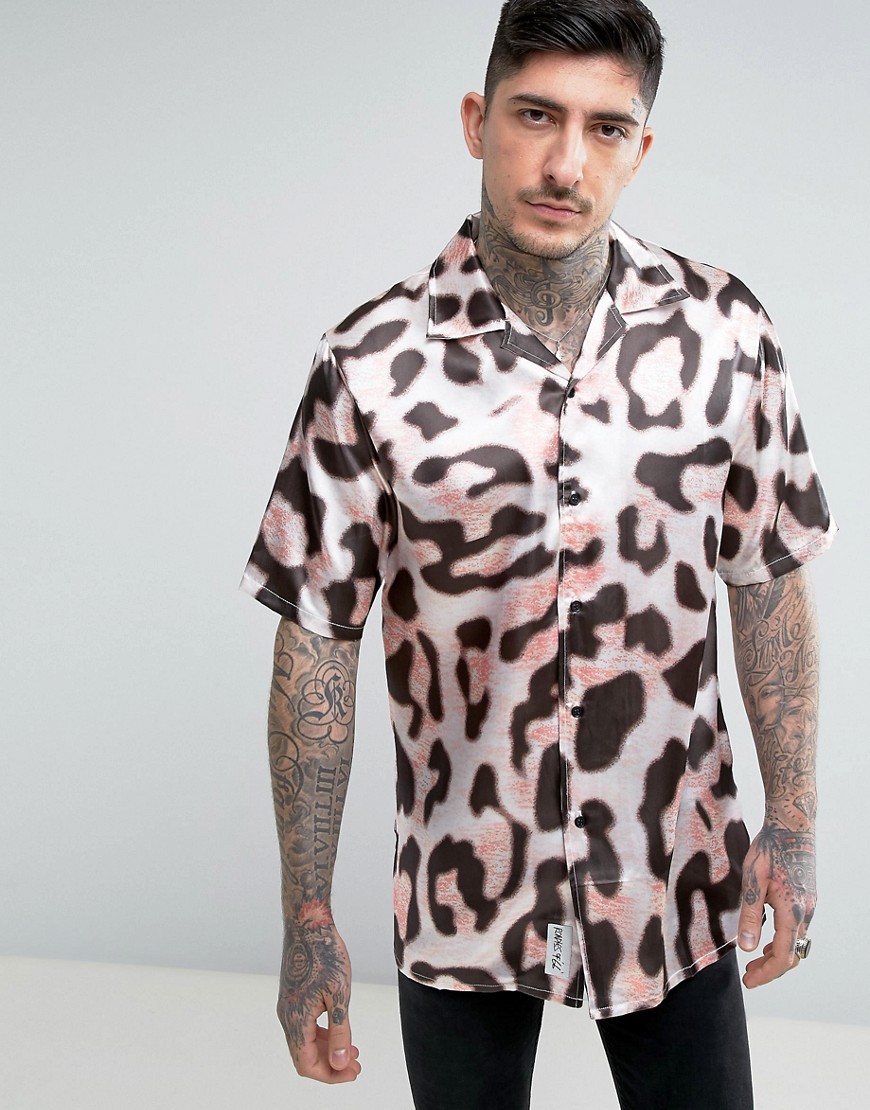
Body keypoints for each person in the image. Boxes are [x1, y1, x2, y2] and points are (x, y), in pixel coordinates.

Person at [239, 1, 837, 1106]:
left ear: (641, 147)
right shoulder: (369, 365)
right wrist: (307, 915)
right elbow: (316, 641)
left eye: (607, 128)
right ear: (478, 121)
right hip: (463, 891)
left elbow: (768, 582)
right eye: (535, 115)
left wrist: (793, 824)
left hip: (674, 880)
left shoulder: (726, 334)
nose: (567, 163)